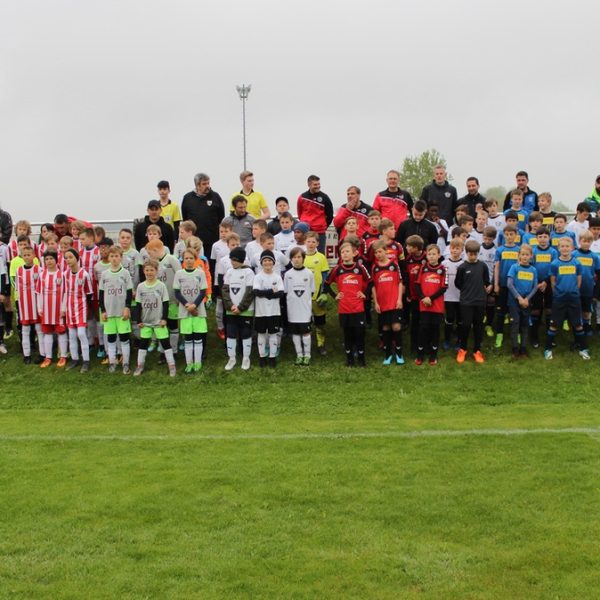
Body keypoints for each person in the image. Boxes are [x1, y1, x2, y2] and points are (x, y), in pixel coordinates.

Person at [326, 240, 370, 366]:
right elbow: (326, 284)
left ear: (354, 253)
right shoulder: (337, 269)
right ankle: (349, 359)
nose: (344, 254)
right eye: (342, 252)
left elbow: (371, 281)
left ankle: (361, 359)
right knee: (347, 334)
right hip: (344, 308)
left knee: (359, 333)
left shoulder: (360, 268)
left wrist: (364, 293)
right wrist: (335, 295)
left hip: (358, 307)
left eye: (347, 251)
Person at [544, 238, 589, 360]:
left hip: (574, 298)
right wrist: (557, 294)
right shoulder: (554, 264)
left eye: (567, 246)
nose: (565, 248)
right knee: (554, 325)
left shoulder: (577, 263)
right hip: (559, 298)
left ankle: (583, 349)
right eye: (562, 246)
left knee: (578, 324)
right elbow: (553, 282)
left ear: (572, 248)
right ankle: (548, 349)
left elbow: (579, 280)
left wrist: (575, 291)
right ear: (558, 248)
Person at [133, 259, 176, 377]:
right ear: (143, 271)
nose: (149, 272)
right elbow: (138, 305)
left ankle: (172, 366)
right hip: (145, 322)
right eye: (147, 270)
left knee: (165, 343)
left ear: (156, 271)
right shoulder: (141, 286)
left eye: (152, 270)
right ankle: (140, 366)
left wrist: (164, 319)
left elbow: (166, 304)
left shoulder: (161, 286)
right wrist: (138, 320)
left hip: (158, 321)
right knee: (143, 344)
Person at [99, 246, 133, 374]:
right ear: (108, 258)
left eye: (116, 256)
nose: (114, 259)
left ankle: (125, 363)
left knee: (124, 338)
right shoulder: (105, 274)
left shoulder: (125, 273)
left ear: (121, 258)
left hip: (122, 312)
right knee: (111, 339)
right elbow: (101, 294)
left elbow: (129, 292)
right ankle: (112, 362)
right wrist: (103, 310)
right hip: (109, 313)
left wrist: (127, 307)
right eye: (112, 256)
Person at [455, 240, 491, 363]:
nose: (473, 256)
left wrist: (487, 287)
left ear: (478, 253)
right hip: (466, 301)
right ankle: (462, 349)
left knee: (478, 326)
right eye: (471, 254)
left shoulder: (483, 266)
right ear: (466, 253)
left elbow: (486, 281)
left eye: (475, 254)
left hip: (480, 301)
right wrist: (467, 291)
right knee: (465, 325)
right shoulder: (462, 267)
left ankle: (477, 350)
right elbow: (458, 283)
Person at [174, 248, 208, 374]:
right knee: (188, 338)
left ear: (195, 259)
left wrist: (194, 305)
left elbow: (203, 291)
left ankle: (198, 362)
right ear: (183, 260)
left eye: (191, 258)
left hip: (198, 310)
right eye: (186, 258)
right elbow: (177, 292)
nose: (188, 260)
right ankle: (189, 363)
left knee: (198, 337)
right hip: (185, 311)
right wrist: (187, 305)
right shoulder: (179, 274)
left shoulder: (200, 273)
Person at [371, 240, 404, 365]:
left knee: (396, 326)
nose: (378, 254)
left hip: (394, 302)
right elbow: (373, 286)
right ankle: (388, 354)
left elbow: (400, 282)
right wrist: (376, 302)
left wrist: (399, 299)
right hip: (382, 303)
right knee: (386, 327)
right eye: (376, 253)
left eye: (380, 251)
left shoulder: (394, 265)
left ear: (386, 251)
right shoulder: (375, 267)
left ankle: (399, 354)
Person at [222, 246, 255, 371]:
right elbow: (225, 290)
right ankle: (232, 358)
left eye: (235, 260)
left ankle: (246, 358)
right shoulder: (229, 272)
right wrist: (230, 306)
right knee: (230, 334)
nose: (233, 262)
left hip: (246, 311)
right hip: (231, 310)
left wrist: (241, 307)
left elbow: (249, 292)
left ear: (241, 260)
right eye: (232, 259)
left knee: (246, 334)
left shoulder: (249, 272)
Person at [414, 244, 448, 365]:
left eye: (434, 254)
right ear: (426, 256)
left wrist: (431, 298)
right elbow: (417, 285)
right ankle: (420, 355)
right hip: (424, 305)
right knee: (423, 329)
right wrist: (424, 298)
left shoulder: (443, 269)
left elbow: (444, 287)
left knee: (435, 330)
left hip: (437, 306)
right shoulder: (422, 268)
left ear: (439, 255)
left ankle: (433, 356)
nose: (431, 256)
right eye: (429, 254)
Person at [181, 173, 225, 262]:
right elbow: (185, 218)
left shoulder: (215, 196)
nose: (207, 186)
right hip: (194, 242)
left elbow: (221, 216)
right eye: (204, 184)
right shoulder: (187, 198)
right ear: (197, 185)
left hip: (211, 240)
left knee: (210, 264)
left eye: (208, 183)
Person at [62, 248, 93, 372]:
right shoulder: (65, 274)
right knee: (72, 335)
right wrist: (63, 308)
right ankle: (74, 359)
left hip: (81, 308)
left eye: (70, 257)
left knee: (81, 333)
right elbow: (64, 292)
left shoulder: (84, 274)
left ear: (77, 258)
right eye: (66, 258)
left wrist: (85, 306)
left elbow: (89, 293)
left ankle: (86, 360)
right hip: (69, 308)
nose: (68, 260)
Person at [36, 251, 69, 368]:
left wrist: (63, 308)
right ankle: (48, 357)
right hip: (46, 310)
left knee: (61, 332)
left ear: (56, 260)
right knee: (47, 332)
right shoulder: (42, 275)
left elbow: (66, 293)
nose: (49, 261)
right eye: (46, 259)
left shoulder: (62, 275)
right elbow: (39, 292)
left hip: (59, 310)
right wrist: (39, 307)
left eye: (51, 258)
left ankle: (63, 356)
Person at [253, 250, 284, 368]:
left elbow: (280, 293)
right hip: (261, 312)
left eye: (269, 260)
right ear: (261, 263)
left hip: (274, 311)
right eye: (265, 260)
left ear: (273, 262)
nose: (267, 263)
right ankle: (262, 357)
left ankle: (272, 357)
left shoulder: (277, 277)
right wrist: (271, 291)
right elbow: (257, 292)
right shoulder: (258, 277)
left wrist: (265, 293)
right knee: (261, 334)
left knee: (273, 334)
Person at [284, 247, 315, 365]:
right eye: (294, 257)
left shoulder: (309, 273)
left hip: (305, 310)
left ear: (303, 258)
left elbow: (312, 291)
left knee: (305, 333)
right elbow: (286, 291)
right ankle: (299, 354)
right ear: (291, 259)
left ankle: (307, 355)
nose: (296, 259)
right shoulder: (287, 274)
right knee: (295, 333)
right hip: (293, 309)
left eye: (299, 257)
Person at [507, 245, 538, 358]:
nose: (525, 257)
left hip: (526, 302)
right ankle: (515, 349)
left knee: (525, 325)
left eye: (527, 255)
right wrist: (519, 298)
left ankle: (523, 349)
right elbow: (509, 284)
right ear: (519, 255)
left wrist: (526, 299)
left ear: (531, 256)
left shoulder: (533, 270)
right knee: (515, 324)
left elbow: (535, 287)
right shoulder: (514, 267)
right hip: (514, 301)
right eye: (523, 254)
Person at [14, 246, 44, 363]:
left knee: (39, 329)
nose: (27, 257)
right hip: (24, 306)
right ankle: (27, 355)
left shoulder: (39, 270)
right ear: (22, 256)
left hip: (36, 305)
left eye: (29, 254)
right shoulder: (19, 270)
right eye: (25, 255)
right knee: (25, 330)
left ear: (34, 255)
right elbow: (17, 288)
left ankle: (42, 354)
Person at [493, 225, 520, 349]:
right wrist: (496, 284)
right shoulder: (500, 250)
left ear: (516, 235)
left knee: (516, 311)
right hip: (503, 285)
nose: (509, 237)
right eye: (507, 234)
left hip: (516, 286)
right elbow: (497, 268)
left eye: (511, 234)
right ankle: (499, 334)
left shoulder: (519, 250)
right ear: (504, 235)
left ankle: (517, 333)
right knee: (500, 312)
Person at [303, 231, 329, 356]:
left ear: (318, 243)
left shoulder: (321, 257)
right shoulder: (301, 256)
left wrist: (323, 292)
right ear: (304, 242)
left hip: (317, 296)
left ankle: (320, 344)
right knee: (305, 322)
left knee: (320, 323)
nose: (311, 244)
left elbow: (325, 277)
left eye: (313, 242)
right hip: (303, 297)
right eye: (308, 241)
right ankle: (306, 345)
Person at [297, 174, 334, 253]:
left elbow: (330, 215)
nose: (318, 186)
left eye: (318, 184)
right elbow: (299, 213)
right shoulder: (302, 197)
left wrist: (322, 226)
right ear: (309, 185)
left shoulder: (325, 197)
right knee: (304, 254)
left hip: (319, 232)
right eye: (315, 184)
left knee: (320, 254)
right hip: (305, 232)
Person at [572, 230, 600, 335]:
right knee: (576, 308)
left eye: (589, 241)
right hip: (575, 287)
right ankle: (576, 326)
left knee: (586, 310)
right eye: (584, 241)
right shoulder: (574, 254)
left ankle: (586, 325)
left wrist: (596, 292)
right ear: (579, 241)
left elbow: (598, 273)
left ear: (592, 242)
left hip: (588, 287)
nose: (586, 243)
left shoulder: (594, 257)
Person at [442, 238, 464, 349]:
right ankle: (447, 339)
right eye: (452, 248)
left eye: (457, 248)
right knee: (449, 317)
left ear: (462, 250)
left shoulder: (463, 264)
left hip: (460, 297)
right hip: (448, 296)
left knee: (460, 319)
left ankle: (459, 340)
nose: (454, 250)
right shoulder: (444, 263)